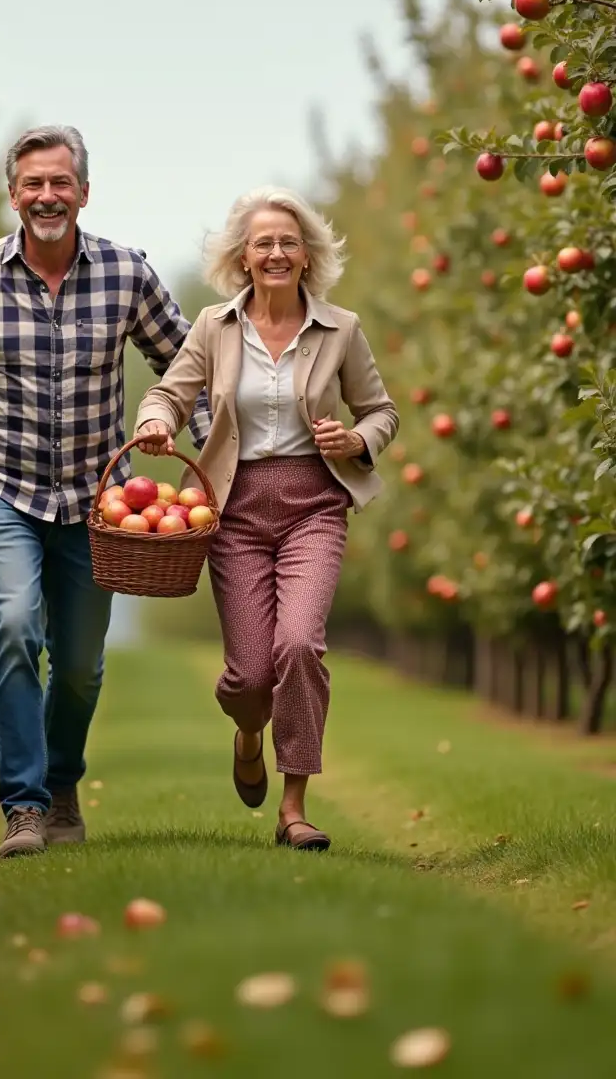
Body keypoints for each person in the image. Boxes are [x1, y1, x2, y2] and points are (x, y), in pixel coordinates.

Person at [0, 125, 210, 859]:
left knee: (83, 666)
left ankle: (62, 782)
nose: (47, 196)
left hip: (98, 502)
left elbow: (187, 366)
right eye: (33, 184)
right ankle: (25, 806)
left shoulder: (127, 274)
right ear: (13, 194)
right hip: (1, 484)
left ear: (84, 193)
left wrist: (209, 452)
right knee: (18, 626)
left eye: (60, 183)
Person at [135, 186, 398, 852]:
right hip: (237, 509)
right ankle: (249, 731)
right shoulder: (214, 327)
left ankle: (294, 806)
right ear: (243, 258)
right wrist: (157, 423)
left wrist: (358, 441)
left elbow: (382, 411)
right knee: (250, 674)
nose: (276, 252)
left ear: (307, 256)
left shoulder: (342, 329)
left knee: (299, 645)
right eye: (263, 243)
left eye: (288, 242)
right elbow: (170, 389)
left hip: (315, 504)